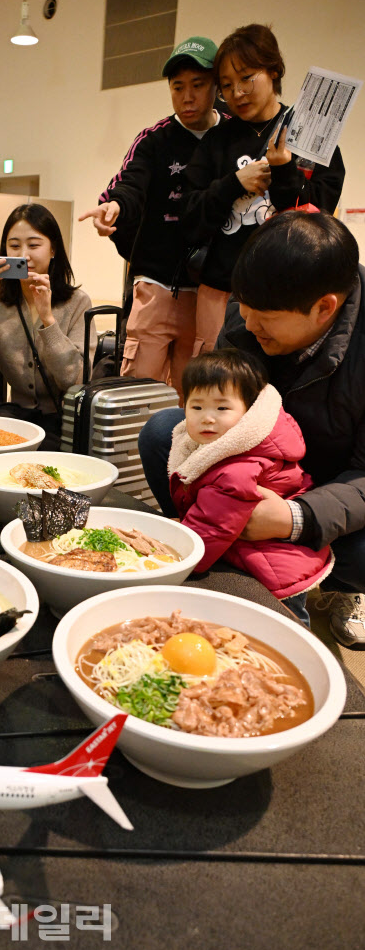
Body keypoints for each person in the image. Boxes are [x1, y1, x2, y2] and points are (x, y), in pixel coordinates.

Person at [139, 211, 365, 647]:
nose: (248, 322)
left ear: (324, 308)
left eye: (265, 317)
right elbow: (222, 404)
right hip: (263, 458)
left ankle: (346, 592)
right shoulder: (251, 309)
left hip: (335, 476)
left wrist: (297, 517)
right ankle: (227, 555)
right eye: (243, 307)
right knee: (165, 430)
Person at [181, 24, 345, 354]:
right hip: (220, 290)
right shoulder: (215, 142)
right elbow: (189, 218)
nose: (237, 93)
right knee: (216, 387)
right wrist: (233, 184)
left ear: (273, 71)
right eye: (226, 86)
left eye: (246, 78)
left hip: (287, 297)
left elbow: (319, 218)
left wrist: (285, 169)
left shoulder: (310, 138)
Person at [79, 36, 223, 399]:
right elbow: (130, 184)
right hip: (155, 285)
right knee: (136, 393)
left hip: (210, 291)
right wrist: (115, 206)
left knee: (197, 396)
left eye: (197, 85)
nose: (187, 96)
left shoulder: (231, 137)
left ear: (216, 85)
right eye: (177, 87)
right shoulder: (154, 140)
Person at [169, 348, 333, 626]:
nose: (208, 417)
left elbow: (212, 529)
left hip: (272, 565)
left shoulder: (238, 469)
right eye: (197, 407)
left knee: (283, 625)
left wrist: (177, 560)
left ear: (247, 412)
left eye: (222, 408)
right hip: (253, 548)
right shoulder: (224, 446)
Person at [0, 203, 96, 447]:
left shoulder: (77, 302)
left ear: (53, 249)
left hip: (62, 421)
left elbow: (75, 379)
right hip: (16, 419)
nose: (24, 255)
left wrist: (48, 320)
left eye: (34, 245)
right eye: (14, 246)